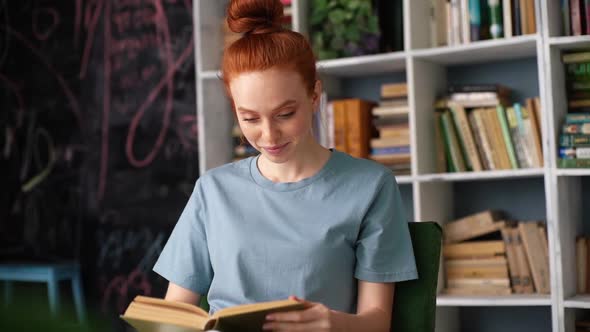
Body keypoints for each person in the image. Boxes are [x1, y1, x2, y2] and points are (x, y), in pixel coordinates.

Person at [153, 0, 417, 331]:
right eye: (249, 118)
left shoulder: (370, 186)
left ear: (314, 96)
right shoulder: (213, 190)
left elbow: (377, 322)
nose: (268, 134)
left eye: (285, 114)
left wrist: (330, 323)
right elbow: (174, 313)